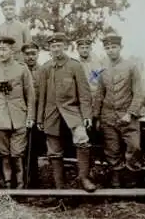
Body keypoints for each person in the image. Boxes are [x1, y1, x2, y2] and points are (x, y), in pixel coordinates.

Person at [36, 33, 96, 192]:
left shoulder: (75, 66)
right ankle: (59, 186)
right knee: (54, 151)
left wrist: (87, 115)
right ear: (49, 48)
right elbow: (41, 95)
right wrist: (40, 118)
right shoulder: (45, 68)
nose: (56, 49)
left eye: (59, 46)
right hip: (51, 114)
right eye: (53, 46)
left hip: (73, 112)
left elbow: (84, 93)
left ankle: (83, 178)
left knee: (82, 140)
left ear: (65, 46)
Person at [0, 36, 36, 188]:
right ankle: (8, 185)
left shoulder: (22, 69)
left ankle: (21, 186)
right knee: (4, 154)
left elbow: (30, 95)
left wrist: (30, 116)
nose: (1, 53)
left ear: (12, 51)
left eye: (4, 49)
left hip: (19, 118)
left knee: (18, 154)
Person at [93, 34, 144, 188]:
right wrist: (97, 117)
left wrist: (130, 114)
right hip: (108, 117)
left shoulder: (131, 66)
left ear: (120, 48)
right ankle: (116, 182)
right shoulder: (102, 69)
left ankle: (132, 180)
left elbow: (139, 93)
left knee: (134, 147)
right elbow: (99, 94)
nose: (110, 51)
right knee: (111, 150)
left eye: (113, 47)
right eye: (107, 48)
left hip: (128, 116)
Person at [21, 41, 42, 188]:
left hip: (39, 115)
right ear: (23, 55)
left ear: (38, 54)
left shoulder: (43, 71)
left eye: (33, 54)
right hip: (22, 114)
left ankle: (34, 181)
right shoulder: (19, 70)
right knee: (22, 149)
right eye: (27, 54)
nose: (30, 57)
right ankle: (24, 180)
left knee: (34, 149)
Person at [0, 0, 31, 64]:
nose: (8, 12)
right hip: (3, 62)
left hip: (19, 62)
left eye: (11, 9)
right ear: (2, 11)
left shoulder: (23, 27)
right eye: (5, 9)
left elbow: (28, 46)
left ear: (15, 10)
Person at [75, 37, 106, 113]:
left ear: (90, 49)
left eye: (87, 48)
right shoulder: (75, 64)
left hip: (97, 99)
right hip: (81, 100)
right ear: (77, 49)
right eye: (82, 48)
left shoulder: (98, 63)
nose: (85, 50)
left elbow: (101, 81)